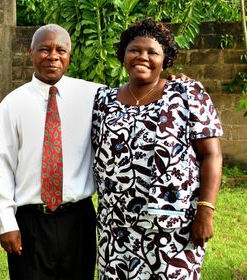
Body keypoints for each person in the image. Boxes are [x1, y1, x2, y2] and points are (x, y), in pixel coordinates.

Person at [91, 18, 223, 279]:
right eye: (135, 50)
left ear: (165, 59)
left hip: (172, 228)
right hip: (116, 227)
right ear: (123, 56)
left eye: (153, 52)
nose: (143, 57)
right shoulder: (103, 100)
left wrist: (205, 211)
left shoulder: (186, 93)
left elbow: (212, 155)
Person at [0, 24, 102, 279]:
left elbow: (136, 98)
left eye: (60, 50)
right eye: (44, 49)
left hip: (78, 218)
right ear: (31, 53)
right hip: (31, 220)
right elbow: (4, 166)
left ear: (69, 56)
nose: (52, 56)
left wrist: (172, 84)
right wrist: (7, 223)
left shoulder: (94, 95)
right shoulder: (13, 104)